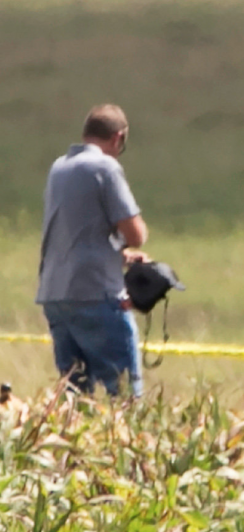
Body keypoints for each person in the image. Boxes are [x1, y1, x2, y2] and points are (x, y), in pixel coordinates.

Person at [35, 104, 150, 398]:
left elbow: (75, 233)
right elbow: (135, 234)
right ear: (118, 138)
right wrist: (131, 245)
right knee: (124, 396)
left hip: (56, 294)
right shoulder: (105, 167)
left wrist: (119, 256)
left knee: (74, 397)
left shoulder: (59, 167)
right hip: (96, 294)